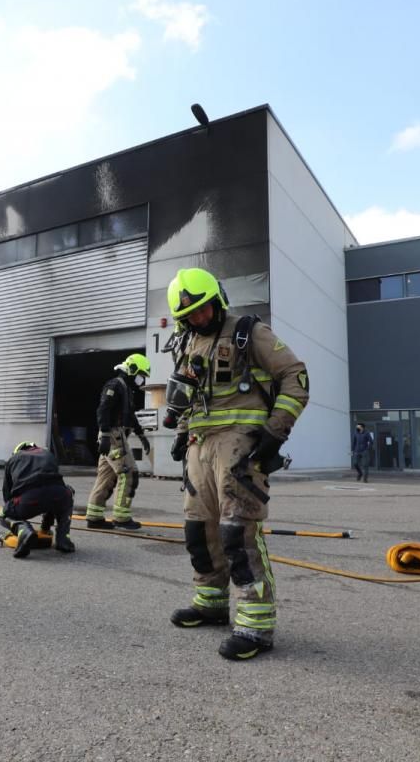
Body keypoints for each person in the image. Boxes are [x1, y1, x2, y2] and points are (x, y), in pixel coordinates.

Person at [165, 268, 309, 661]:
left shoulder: (249, 332)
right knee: (199, 531)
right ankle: (210, 602)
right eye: (189, 315)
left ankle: (255, 625)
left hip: (240, 446)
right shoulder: (188, 342)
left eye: (203, 310)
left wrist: (275, 430)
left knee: (237, 534)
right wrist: (181, 434)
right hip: (200, 446)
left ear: (218, 300)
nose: (198, 318)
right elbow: (186, 397)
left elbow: (295, 376)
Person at [84, 353, 152, 531]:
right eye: (141, 375)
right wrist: (105, 434)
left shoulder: (126, 389)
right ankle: (121, 518)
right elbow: (103, 410)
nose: (142, 380)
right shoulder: (115, 385)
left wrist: (141, 435)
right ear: (132, 370)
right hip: (113, 435)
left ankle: (94, 516)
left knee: (105, 477)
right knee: (128, 473)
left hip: (115, 435)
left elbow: (130, 415)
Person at [0, 441, 76, 558]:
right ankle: (63, 540)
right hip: (59, 496)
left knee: (1, 514)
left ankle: (23, 530)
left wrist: (13, 512)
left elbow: (7, 495)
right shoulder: (48, 454)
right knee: (65, 494)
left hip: (29, 500)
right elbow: (54, 485)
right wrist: (45, 529)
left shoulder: (13, 459)